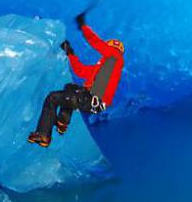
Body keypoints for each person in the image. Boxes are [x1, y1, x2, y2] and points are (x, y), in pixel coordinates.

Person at [27, 13, 125, 147]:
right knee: (70, 87)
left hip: (91, 100)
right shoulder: (101, 68)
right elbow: (80, 70)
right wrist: (70, 53)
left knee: (52, 98)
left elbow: (98, 44)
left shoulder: (115, 57)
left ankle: (43, 134)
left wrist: (83, 26)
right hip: (87, 100)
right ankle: (62, 121)